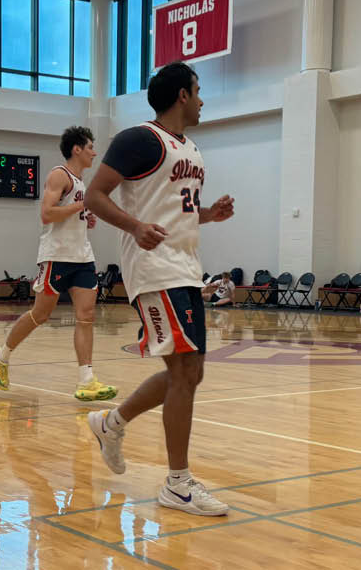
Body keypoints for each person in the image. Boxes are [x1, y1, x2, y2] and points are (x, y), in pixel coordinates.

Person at [84, 62, 236, 516]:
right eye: (199, 90)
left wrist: (208, 214)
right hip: (154, 269)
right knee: (185, 373)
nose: (204, 99)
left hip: (187, 267)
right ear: (183, 96)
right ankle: (177, 484)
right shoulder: (139, 139)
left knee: (188, 375)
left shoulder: (191, 148)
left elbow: (175, 210)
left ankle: (111, 422)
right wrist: (133, 226)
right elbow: (94, 196)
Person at [0, 126, 117, 402]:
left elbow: (71, 213)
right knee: (41, 315)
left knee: (87, 316)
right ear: (77, 149)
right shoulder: (60, 175)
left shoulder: (82, 182)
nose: (95, 152)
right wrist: (80, 208)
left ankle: (87, 380)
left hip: (82, 257)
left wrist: (86, 218)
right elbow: (47, 214)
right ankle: (2, 356)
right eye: (91, 147)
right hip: (56, 256)